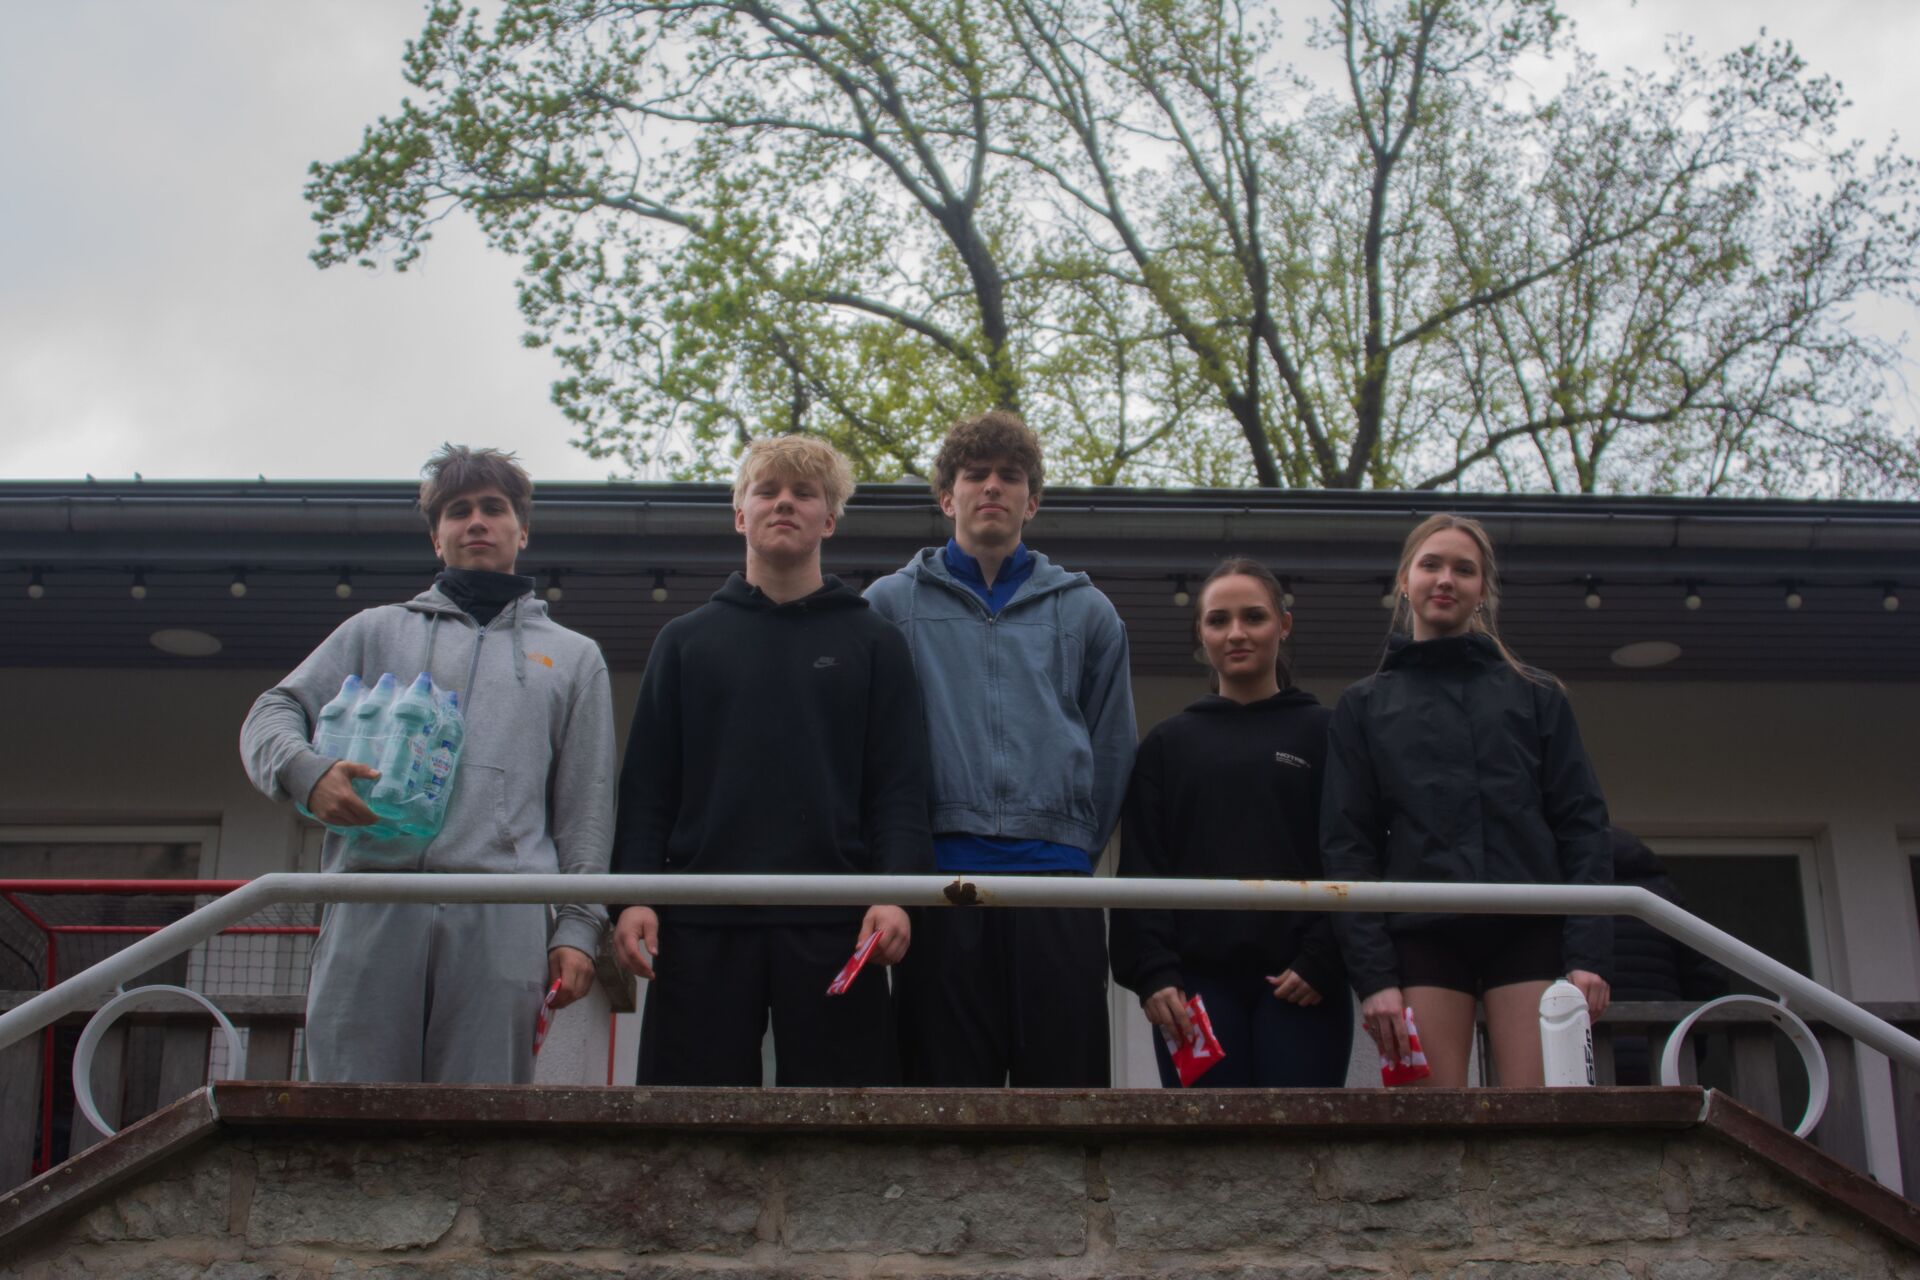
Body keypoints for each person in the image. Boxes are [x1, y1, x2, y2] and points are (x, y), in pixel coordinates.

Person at [240, 445, 615, 1083]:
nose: (477, 522)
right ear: (436, 537)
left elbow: (587, 808)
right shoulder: (374, 631)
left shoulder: (575, 659)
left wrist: (578, 928)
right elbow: (272, 712)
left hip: (503, 913)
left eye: (494, 509)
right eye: (458, 511)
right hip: (371, 901)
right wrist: (307, 772)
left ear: (522, 529)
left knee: (479, 1119)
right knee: (353, 1109)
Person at [608, 435, 932, 1086]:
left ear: (829, 519)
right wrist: (633, 896)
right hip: (700, 919)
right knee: (689, 1122)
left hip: (840, 920)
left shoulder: (875, 642)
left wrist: (897, 894)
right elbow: (647, 788)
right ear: (740, 514)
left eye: (803, 493)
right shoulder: (684, 642)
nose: (784, 503)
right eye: (767, 491)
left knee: (844, 1122)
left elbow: (899, 787)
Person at [866, 410, 1137, 1088]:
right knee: (945, 1100)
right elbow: (869, 750)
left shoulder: (1087, 611)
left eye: (1010, 476)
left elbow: (1112, 746)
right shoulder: (888, 607)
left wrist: (1070, 839)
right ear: (945, 497)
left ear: (1032, 501)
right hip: (939, 886)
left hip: (1056, 884)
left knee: (1066, 1096)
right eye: (975, 474)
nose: (992, 486)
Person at [1321, 513, 1613, 1087]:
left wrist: (1588, 954)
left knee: (1541, 1118)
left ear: (1483, 589)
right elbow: (1347, 845)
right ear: (1404, 579)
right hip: (1422, 933)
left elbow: (1583, 825)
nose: (1445, 579)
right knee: (1430, 1124)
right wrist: (1374, 978)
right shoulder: (1364, 706)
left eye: (1464, 569)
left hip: (1529, 927)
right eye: (1430, 565)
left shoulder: (1536, 695)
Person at [1111, 559, 1351, 1088]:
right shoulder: (1166, 745)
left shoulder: (1329, 734)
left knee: (1301, 1136)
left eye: (1254, 617)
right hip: (1191, 992)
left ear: (1283, 625)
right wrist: (1153, 972)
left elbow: (1352, 854)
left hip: (1304, 982)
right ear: (1201, 633)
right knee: (1208, 1140)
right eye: (1219, 620)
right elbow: (1142, 867)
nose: (1236, 633)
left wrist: (1324, 958)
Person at [1608, 825, 1727, 1085]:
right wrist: (1691, 1039)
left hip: (1586, 1056)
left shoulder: (1566, 894)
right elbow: (1709, 975)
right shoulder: (1662, 896)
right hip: (1664, 1053)